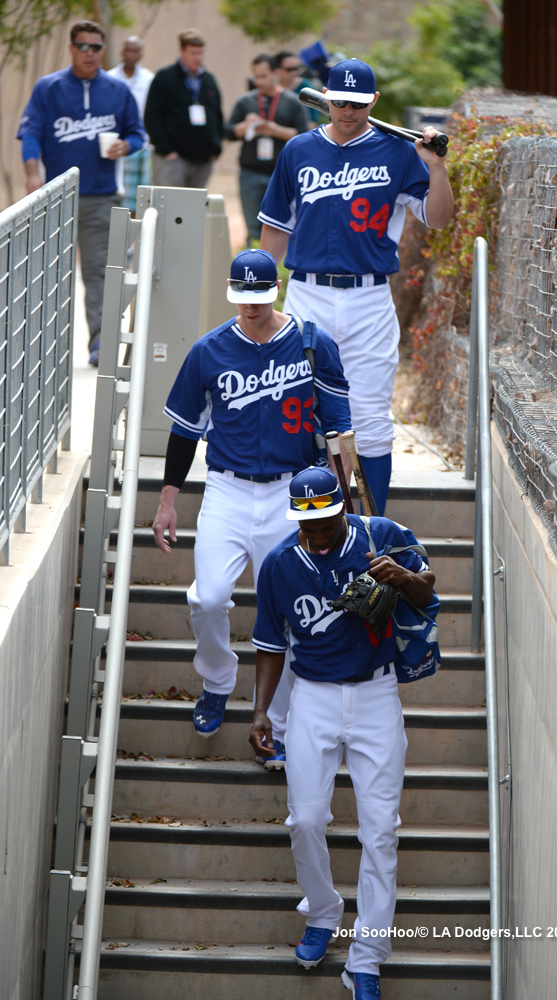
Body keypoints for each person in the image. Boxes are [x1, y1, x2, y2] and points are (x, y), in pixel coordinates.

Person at [152, 249, 351, 765]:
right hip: (228, 490)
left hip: (292, 495)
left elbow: (339, 427)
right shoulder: (209, 350)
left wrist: (343, 494)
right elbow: (184, 431)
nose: (251, 306)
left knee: (283, 616)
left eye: (259, 297)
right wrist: (168, 500)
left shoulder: (311, 344)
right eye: (241, 297)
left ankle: (278, 729)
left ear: (276, 290)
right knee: (209, 597)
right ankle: (217, 679)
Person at [249, 466, 436, 1000]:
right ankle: (323, 911)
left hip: (377, 693)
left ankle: (367, 959)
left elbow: (429, 590)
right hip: (313, 696)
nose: (319, 532)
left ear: (342, 507)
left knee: (380, 831)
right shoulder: (281, 563)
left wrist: (399, 577)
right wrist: (261, 712)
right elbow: (269, 643)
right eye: (308, 524)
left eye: (327, 520)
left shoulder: (382, 535)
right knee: (306, 819)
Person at [259, 58, 454, 514]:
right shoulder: (298, 151)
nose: (348, 110)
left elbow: (440, 219)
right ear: (326, 97)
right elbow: (274, 232)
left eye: (358, 103)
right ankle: (305, 525)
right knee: (300, 411)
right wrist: (264, 300)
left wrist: (437, 167)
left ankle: (370, 533)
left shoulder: (399, 151)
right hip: (307, 293)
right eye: (340, 101)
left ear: (375, 102)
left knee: (368, 420)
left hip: (369, 298)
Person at [17, 20, 146, 366]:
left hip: (101, 196)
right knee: (49, 273)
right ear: (72, 48)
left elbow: (137, 133)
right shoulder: (49, 87)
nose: (90, 53)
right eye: (83, 46)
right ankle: (43, 348)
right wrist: (32, 174)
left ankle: (101, 345)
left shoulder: (118, 91)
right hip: (55, 197)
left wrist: (125, 145)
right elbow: (30, 133)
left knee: (100, 271)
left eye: (97, 47)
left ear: (104, 51)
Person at [226, 55, 309, 244]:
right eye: (256, 77)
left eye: (264, 76)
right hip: (250, 172)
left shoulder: (292, 102)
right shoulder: (245, 101)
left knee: (281, 224)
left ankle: (275, 267)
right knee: (252, 225)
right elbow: (229, 132)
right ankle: (252, 265)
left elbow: (304, 135)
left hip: (280, 174)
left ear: (275, 74)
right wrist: (245, 125)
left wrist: (276, 130)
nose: (259, 81)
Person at [144, 28, 223, 189]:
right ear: (181, 51)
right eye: (193, 53)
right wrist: (166, 150)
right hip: (173, 158)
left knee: (194, 210)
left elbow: (218, 115)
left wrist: (216, 148)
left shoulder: (208, 79)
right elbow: (152, 115)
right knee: (171, 208)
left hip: (203, 159)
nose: (197, 58)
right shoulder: (165, 77)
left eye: (200, 53)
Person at [108, 36, 154, 215]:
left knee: (138, 199)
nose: (131, 54)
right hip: (114, 146)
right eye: (128, 50)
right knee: (117, 197)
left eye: (135, 51)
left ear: (141, 54)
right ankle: (117, 240)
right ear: (122, 51)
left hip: (141, 146)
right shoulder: (110, 77)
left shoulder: (150, 79)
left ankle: (133, 241)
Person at [273, 50, 321, 128]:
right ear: (277, 70)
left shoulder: (306, 87)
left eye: (296, 68)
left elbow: (313, 122)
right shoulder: (272, 89)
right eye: (289, 69)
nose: (294, 73)